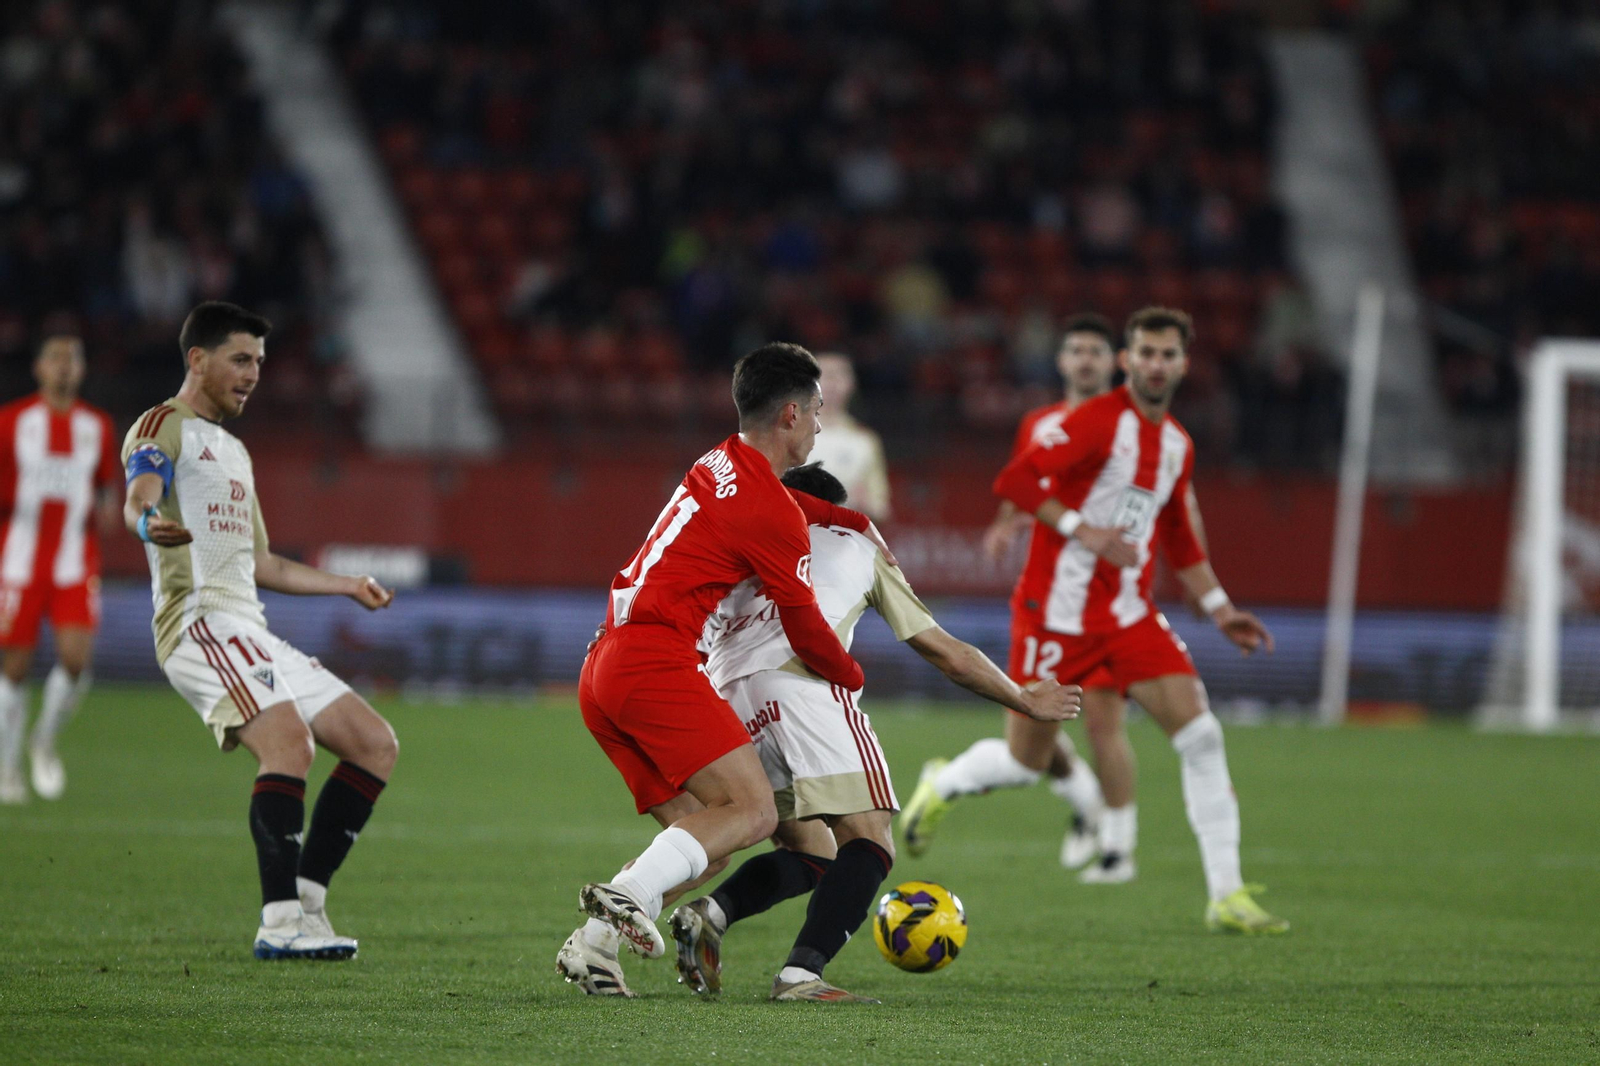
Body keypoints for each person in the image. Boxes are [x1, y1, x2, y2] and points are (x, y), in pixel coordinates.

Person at [921, 307, 1286, 933]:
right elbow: (1016, 479)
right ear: (1128, 360)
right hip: (1053, 621)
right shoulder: (1092, 422)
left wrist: (1222, 610)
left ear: (1182, 364)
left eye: (1167, 355)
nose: (1154, 364)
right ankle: (943, 782)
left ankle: (1226, 895)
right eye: (1144, 352)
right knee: (1025, 763)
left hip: (1128, 617)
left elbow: (1177, 536)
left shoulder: (1176, 444)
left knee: (1202, 736)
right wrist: (1080, 527)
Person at [664, 463, 1079, 1003]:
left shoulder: (741, 546)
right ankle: (800, 977)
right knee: (870, 836)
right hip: (803, 687)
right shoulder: (854, 541)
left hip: (731, 701)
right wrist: (1023, 698)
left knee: (812, 851)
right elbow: (945, 652)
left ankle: (709, 913)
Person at [558, 342, 892, 993]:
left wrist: (842, 515)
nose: (822, 427)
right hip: (656, 660)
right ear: (792, 414)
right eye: (818, 413)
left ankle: (593, 946)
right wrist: (850, 679)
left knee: (707, 835)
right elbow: (807, 632)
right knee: (756, 811)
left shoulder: (716, 460)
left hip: (602, 665)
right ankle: (625, 894)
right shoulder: (770, 509)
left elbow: (788, 512)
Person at [122, 301, 399, 959]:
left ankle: (307, 904)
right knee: (289, 742)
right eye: (241, 360)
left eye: (260, 363)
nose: (252, 375)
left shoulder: (236, 453)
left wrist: (346, 585)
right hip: (197, 625)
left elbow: (264, 562)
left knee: (373, 743)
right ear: (198, 359)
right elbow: (140, 487)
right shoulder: (166, 425)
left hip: (248, 627)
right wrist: (143, 520)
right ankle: (278, 924)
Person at [910, 314, 1128, 877]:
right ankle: (947, 781)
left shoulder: (1132, 430)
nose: (1084, 360)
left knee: (1079, 727)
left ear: (1114, 363)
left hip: (1111, 604)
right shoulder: (1040, 423)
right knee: (1030, 748)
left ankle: (1097, 824)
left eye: (1094, 351)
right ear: (1061, 362)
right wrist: (1008, 521)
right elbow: (1023, 482)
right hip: (1053, 601)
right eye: (1075, 349)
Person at [0, 336, 120, 803]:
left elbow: (105, 487)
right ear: (38, 368)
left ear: (83, 370)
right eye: (56, 359)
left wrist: (112, 506)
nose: (64, 368)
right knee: (14, 669)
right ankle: (7, 769)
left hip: (74, 559)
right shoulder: (12, 422)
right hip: (18, 561)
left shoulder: (98, 426)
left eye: (73, 359)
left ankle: (43, 741)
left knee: (75, 661)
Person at [807, 353, 891, 521]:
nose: (831, 382)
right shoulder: (785, 435)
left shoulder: (864, 441)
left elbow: (882, 508)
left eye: (839, 375)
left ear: (851, 384)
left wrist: (865, 504)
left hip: (843, 540)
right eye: (824, 375)